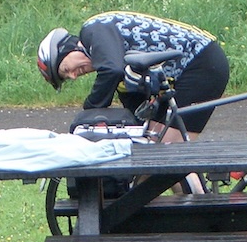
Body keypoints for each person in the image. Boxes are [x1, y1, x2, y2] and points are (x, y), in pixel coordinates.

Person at [37, 11, 230, 143]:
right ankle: (195, 197)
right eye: (67, 78)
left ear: (68, 48)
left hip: (202, 60)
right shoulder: (115, 61)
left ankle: (191, 201)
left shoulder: (92, 30)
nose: (72, 76)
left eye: (65, 69)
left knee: (165, 151)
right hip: (198, 64)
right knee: (154, 142)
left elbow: (111, 70)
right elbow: (135, 111)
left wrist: (89, 111)